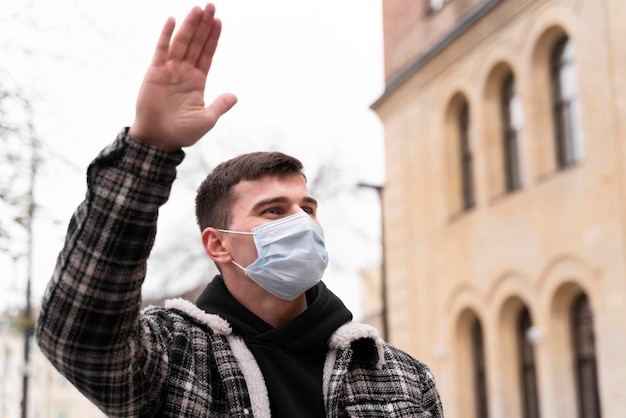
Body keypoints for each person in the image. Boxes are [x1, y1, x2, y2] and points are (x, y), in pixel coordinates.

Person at [35, 3, 444, 417]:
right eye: (273, 211)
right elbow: (80, 336)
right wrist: (148, 149)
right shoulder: (175, 360)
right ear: (218, 245)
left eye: (307, 207)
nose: (300, 221)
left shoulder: (401, 377)